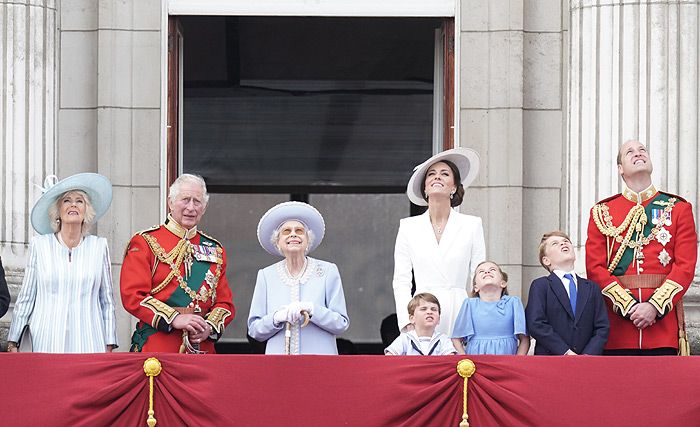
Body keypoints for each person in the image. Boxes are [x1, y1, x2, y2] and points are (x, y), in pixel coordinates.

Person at [586, 140, 697, 355]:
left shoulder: (678, 208)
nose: (638, 153)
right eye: (630, 152)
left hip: (662, 329)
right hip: (618, 330)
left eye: (642, 150)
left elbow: (685, 266)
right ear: (620, 169)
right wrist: (629, 308)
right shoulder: (602, 212)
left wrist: (654, 307)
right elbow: (595, 268)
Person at [120, 174, 235, 353]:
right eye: (185, 200)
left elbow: (225, 303)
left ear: (204, 207)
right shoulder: (146, 242)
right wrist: (174, 318)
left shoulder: (215, 249)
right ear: (171, 202)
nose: (191, 207)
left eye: (197, 201)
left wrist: (209, 327)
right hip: (158, 348)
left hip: (201, 349)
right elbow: (133, 295)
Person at [7, 173, 118, 353]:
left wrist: (109, 343)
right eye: (67, 200)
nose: (73, 204)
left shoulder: (99, 247)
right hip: (46, 341)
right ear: (57, 211)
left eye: (79, 201)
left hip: (89, 341)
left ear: (86, 212)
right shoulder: (40, 246)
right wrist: (14, 341)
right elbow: (26, 297)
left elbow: (106, 300)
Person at [392, 148, 486, 337]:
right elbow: (401, 280)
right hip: (422, 311)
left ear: (454, 187)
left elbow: (479, 277)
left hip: (460, 310)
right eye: (431, 174)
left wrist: (479, 317)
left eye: (445, 174)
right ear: (425, 188)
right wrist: (407, 320)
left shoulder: (471, 224)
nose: (437, 177)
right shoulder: (408, 227)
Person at [248, 201, 349, 355]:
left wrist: (312, 309)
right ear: (278, 242)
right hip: (278, 364)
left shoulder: (328, 271)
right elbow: (255, 330)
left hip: (320, 363)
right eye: (286, 231)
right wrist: (275, 318)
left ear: (308, 240)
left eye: (299, 231)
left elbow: (341, 323)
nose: (293, 234)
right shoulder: (266, 276)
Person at [526, 231, 609, 355]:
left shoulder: (591, 287)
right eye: (555, 243)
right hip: (550, 360)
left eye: (566, 241)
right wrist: (565, 352)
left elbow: (602, 326)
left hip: (587, 362)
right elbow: (536, 323)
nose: (563, 243)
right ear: (546, 260)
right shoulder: (541, 286)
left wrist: (588, 355)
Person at [451, 261, 529, 355]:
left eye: (492, 270)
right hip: (476, 361)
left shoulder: (513, 303)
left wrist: (517, 362)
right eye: (481, 271)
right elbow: (456, 339)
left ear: (503, 283)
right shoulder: (469, 305)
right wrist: (465, 360)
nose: (487, 272)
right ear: (475, 287)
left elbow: (524, 339)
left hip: (507, 360)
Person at [385, 293, 457, 355]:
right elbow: (390, 358)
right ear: (412, 318)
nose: (429, 312)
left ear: (438, 319)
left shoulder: (443, 339)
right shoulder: (405, 339)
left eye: (434, 309)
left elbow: (450, 361)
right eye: (423, 309)